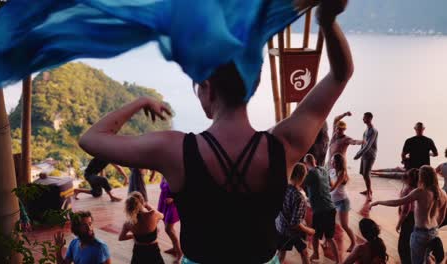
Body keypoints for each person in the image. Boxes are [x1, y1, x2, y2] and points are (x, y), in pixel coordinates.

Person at [78, 1, 354, 262]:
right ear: (252, 85)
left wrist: (139, 102)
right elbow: (340, 74)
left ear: (207, 87)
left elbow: (91, 139)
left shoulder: (174, 150)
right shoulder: (284, 144)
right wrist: (327, 21)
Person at [370, 166, 447, 264]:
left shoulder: (420, 192)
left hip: (420, 233)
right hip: (434, 232)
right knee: (427, 257)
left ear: (422, 177)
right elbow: (442, 217)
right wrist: (434, 228)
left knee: (417, 261)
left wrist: (379, 202)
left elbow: (397, 202)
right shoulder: (443, 193)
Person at [303, 154, 339, 263]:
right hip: (331, 207)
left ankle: (315, 254)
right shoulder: (323, 170)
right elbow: (326, 185)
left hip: (320, 210)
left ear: (306, 164)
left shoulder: (310, 174)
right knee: (330, 238)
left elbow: (298, 182)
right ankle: (338, 261)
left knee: (315, 234)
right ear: (315, 161)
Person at [275, 163, 315, 264]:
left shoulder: (282, 188)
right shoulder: (298, 197)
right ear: (301, 177)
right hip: (292, 232)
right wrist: (309, 230)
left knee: (281, 253)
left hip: (280, 227)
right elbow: (295, 224)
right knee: (304, 253)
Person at [119, 192, 165, 264]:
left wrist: (133, 235)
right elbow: (162, 216)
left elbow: (121, 238)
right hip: (153, 250)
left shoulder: (128, 223)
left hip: (138, 251)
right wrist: (147, 206)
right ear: (142, 202)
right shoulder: (153, 214)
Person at [329, 153, 356, 253]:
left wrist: (322, 192)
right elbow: (329, 184)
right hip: (332, 201)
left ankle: (353, 243)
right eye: (331, 161)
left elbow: (334, 187)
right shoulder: (331, 171)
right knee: (329, 223)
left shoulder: (342, 173)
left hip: (342, 202)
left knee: (344, 225)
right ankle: (327, 241)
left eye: (334, 161)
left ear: (339, 163)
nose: (332, 163)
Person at [397, 168, 419, 264]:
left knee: (403, 246)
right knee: (413, 242)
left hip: (409, 218)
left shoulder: (407, 190)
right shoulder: (420, 189)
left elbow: (406, 209)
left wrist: (399, 223)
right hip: (417, 217)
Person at [354, 112, 378, 200]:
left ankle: (369, 193)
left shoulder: (373, 131)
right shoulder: (365, 131)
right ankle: (369, 189)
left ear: (370, 118)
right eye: (363, 117)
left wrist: (358, 154)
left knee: (366, 173)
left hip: (370, 155)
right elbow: (363, 144)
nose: (363, 119)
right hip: (364, 154)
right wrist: (360, 153)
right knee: (363, 174)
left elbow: (368, 145)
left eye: (364, 118)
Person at [157, 177, 182, 259]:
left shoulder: (176, 175)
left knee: (169, 229)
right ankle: (175, 247)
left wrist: (174, 199)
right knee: (169, 228)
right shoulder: (164, 174)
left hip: (173, 205)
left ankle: (179, 252)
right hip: (163, 203)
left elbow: (186, 190)